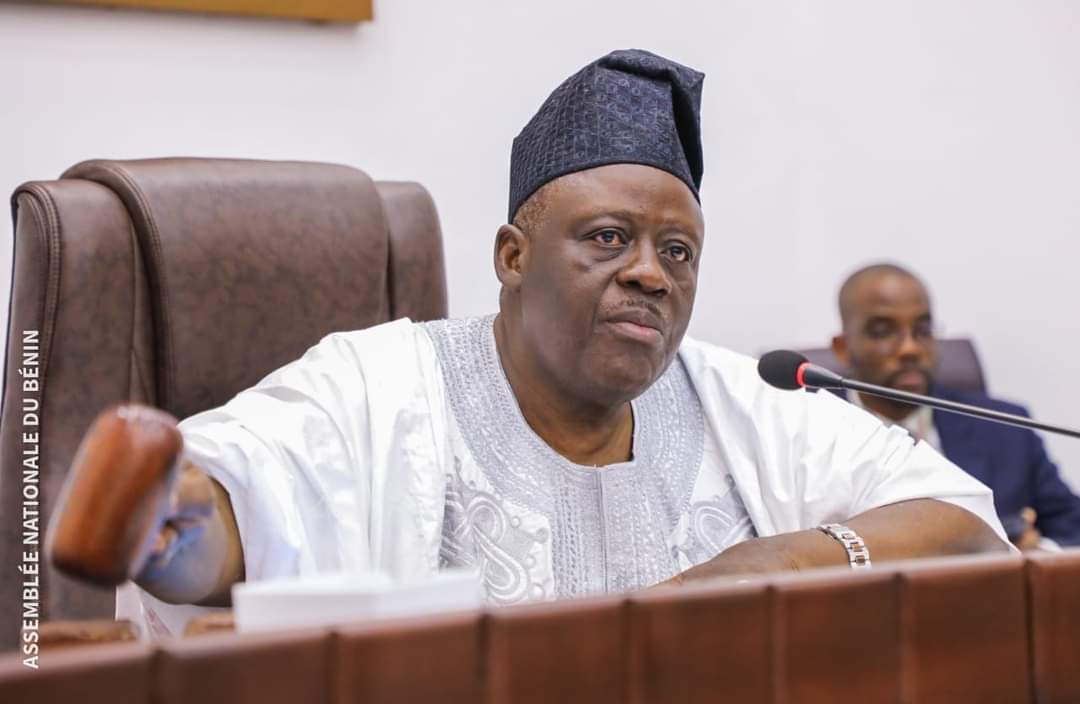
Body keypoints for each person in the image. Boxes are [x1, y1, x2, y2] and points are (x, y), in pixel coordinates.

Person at [117, 50, 1008, 634]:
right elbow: (226, 517)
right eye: (609, 238)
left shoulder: (744, 401)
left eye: (678, 251)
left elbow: (966, 528)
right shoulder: (382, 384)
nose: (651, 274)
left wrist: (781, 561)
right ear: (513, 257)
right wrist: (163, 522)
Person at [830, 262, 1080, 549]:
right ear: (842, 348)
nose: (910, 348)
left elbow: (1072, 527)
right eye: (883, 332)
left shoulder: (1005, 426)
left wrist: (1037, 554)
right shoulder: (809, 440)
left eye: (923, 329)